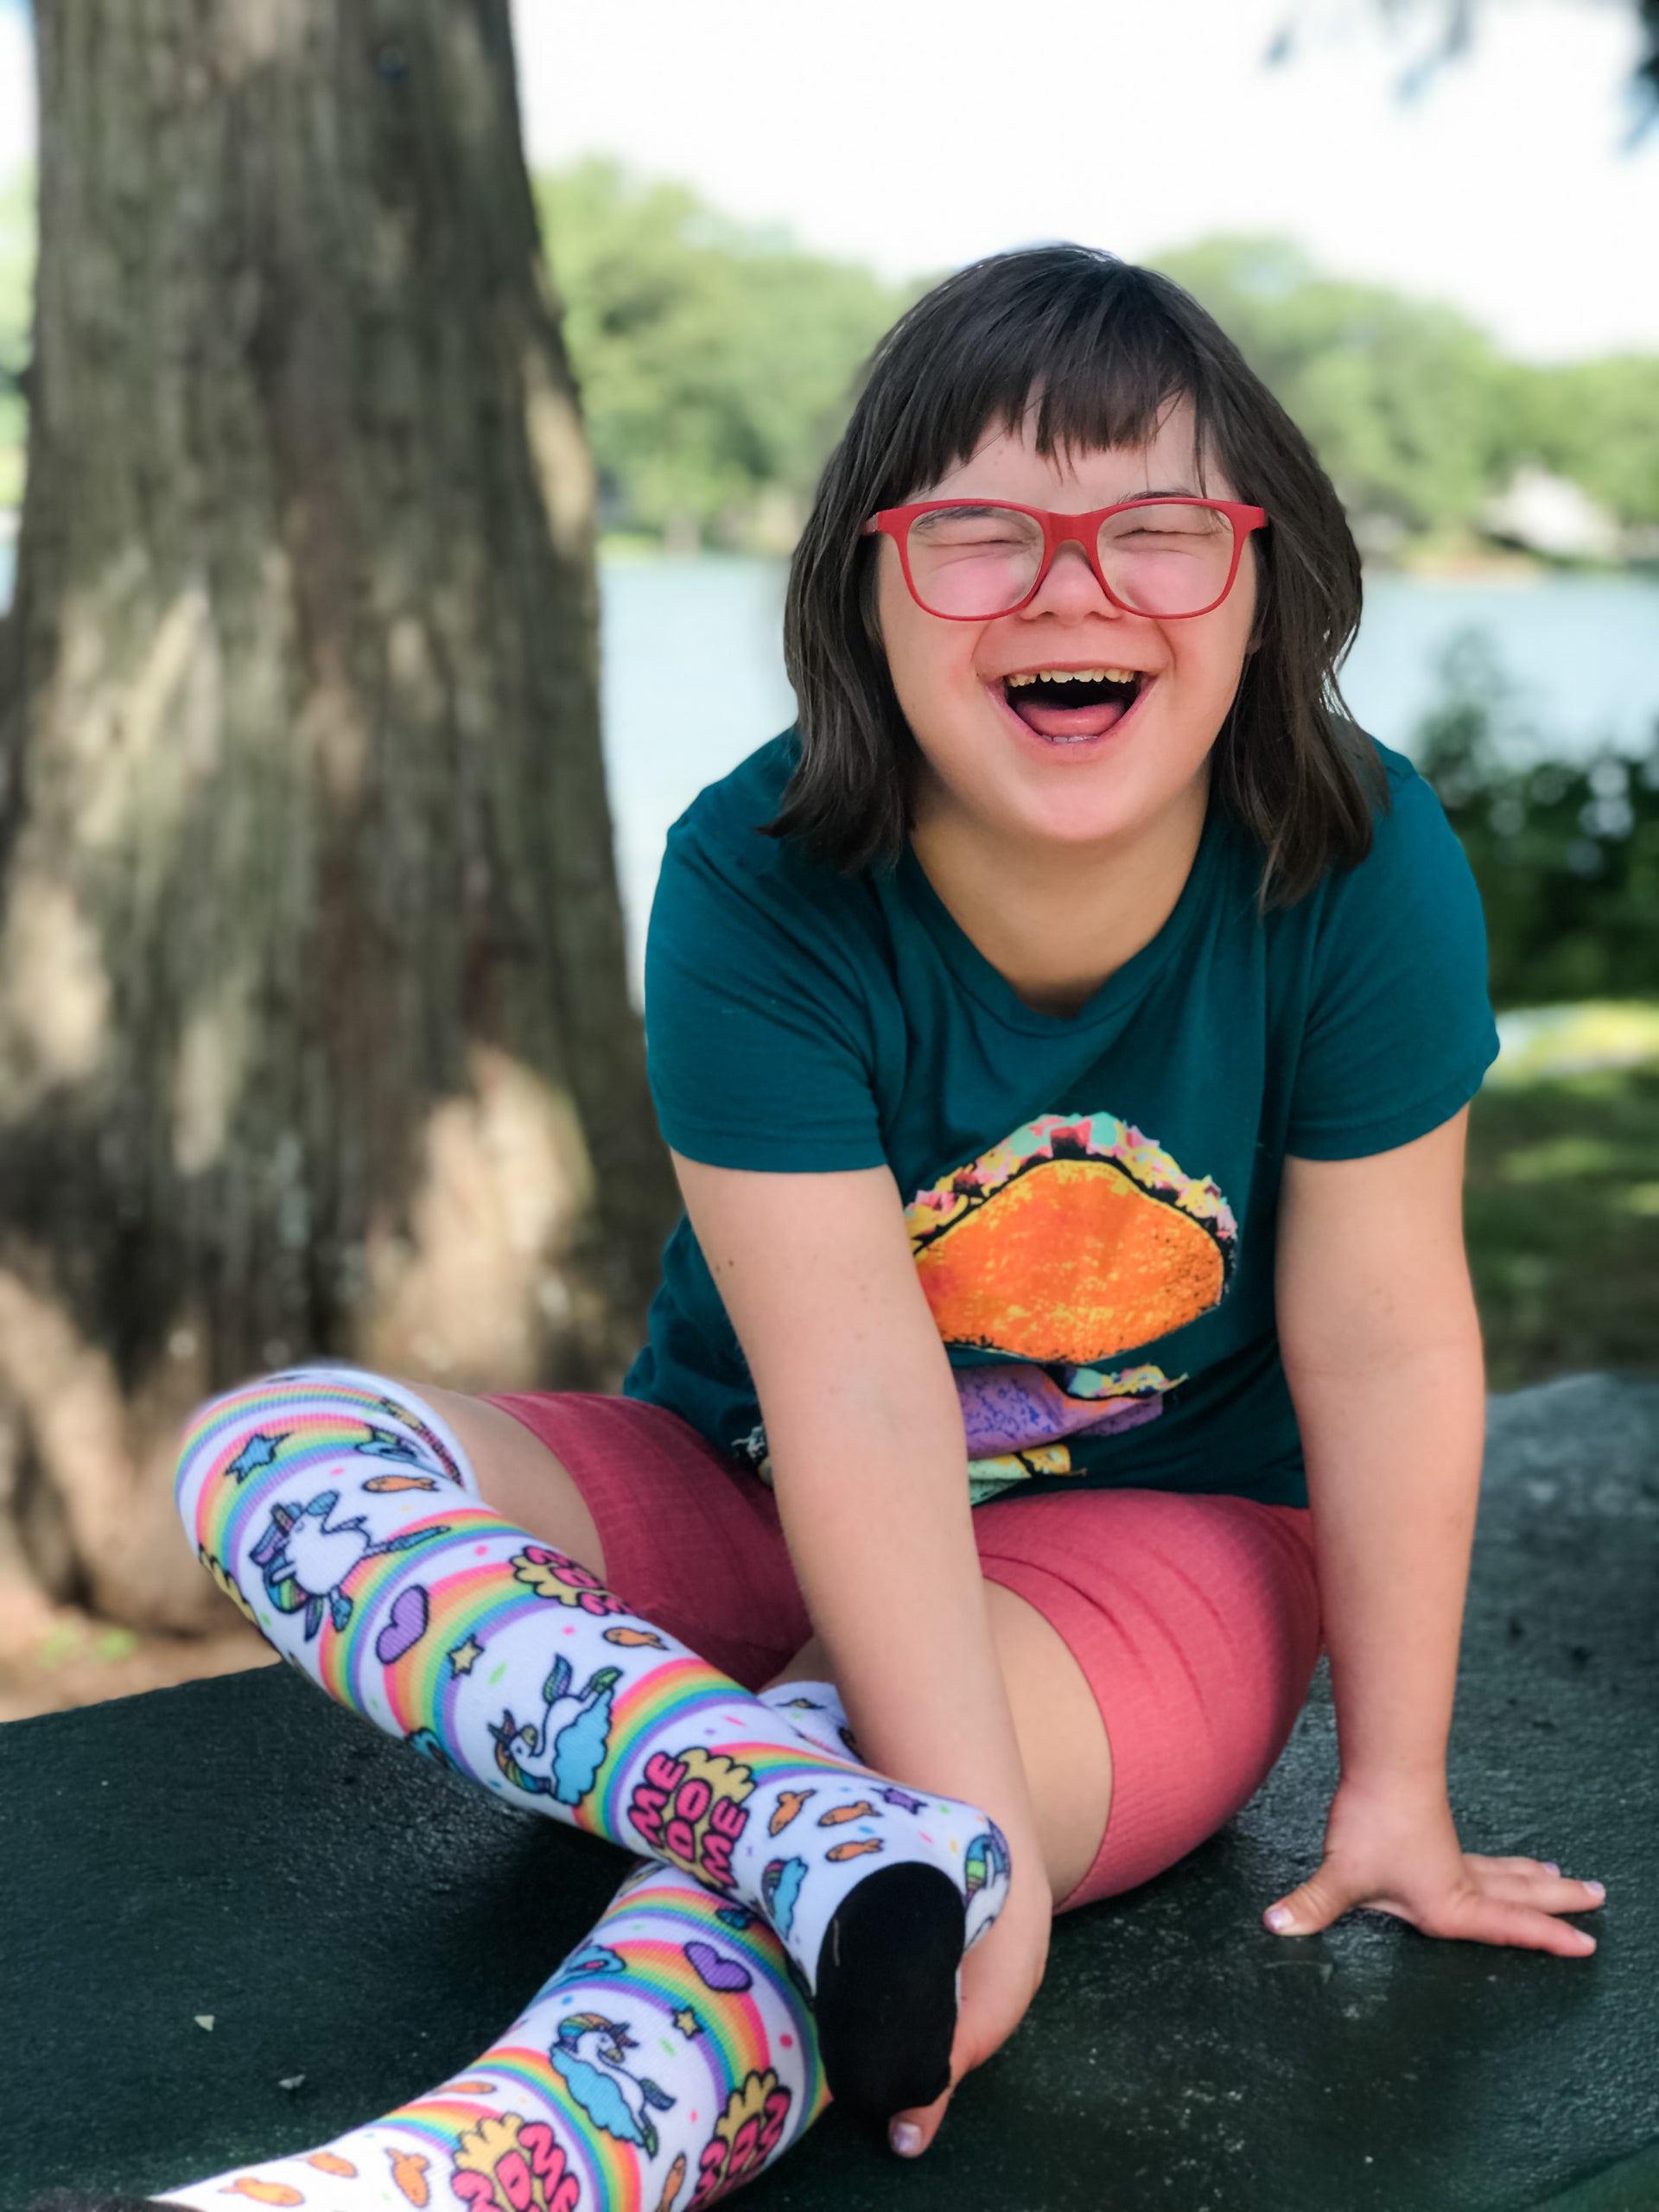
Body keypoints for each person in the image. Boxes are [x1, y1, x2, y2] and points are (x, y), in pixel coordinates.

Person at [78, 245, 1606, 2212]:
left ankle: (439, 2181)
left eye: (1157, 530)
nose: (1072, 590)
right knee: (268, 1450)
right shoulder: (761, 871)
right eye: (980, 535)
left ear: (1266, 578)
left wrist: (1394, 1785)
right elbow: (856, 1390)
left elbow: (1388, 1345)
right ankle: (790, 1811)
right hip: (761, 1470)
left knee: (911, 1820)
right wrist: (929, 1814)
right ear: (865, 594)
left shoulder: (1359, 865)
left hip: (1158, 1553)